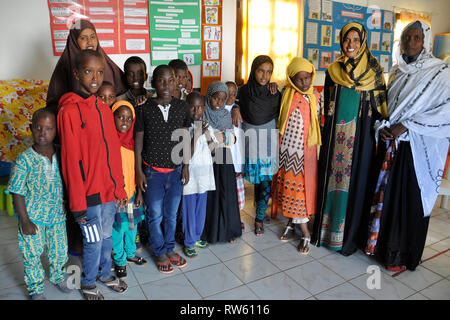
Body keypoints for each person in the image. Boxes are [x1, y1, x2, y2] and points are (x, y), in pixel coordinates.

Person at [364, 20, 450, 271]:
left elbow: (445, 112)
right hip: (393, 145)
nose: (411, 43)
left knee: (408, 200)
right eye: (407, 37)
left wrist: (407, 126)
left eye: (417, 38)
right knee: (386, 198)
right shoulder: (396, 71)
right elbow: (386, 107)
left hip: (418, 148)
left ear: (425, 42)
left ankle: (401, 255)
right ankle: (380, 248)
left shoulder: (440, 72)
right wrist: (385, 127)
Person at [311, 22, 388, 256]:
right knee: (332, 182)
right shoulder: (334, 71)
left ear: (363, 41)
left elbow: (382, 110)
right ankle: (326, 233)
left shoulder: (374, 73)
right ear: (341, 41)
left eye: (356, 40)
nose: (351, 44)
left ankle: (349, 237)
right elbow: (327, 110)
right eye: (347, 39)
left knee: (356, 183)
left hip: (361, 142)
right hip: (335, 141)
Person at [57, 49, 128, 300]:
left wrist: (119, 189)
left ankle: (104, 272)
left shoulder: (103, 107)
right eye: (88, 71)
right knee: (93, 241)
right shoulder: (69, 111)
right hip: (88, 196)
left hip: (109, 192)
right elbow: (70, 161)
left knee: (107, 236)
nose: (95, 78)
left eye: (100, 72)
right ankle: (87, 282)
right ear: (77, 73)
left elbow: (114, 155)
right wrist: (77, 203)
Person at [6, 108, 71, 300]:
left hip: (58, 216)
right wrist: (24, 220)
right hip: (32, 218)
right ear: (31, 128)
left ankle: (58, 275)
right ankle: (35, 288)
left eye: (49, 128)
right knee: (32, 254)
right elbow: (17, 192)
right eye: (38, 128)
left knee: (59, 250)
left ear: (56, 131)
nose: (43, 132)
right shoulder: (24, 160)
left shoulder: (62, 155)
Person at [134, 64, 191, 274]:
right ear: (153, 83)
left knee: (171, 215)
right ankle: (159, 250)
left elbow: (185, 138)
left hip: (175, 172)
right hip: (152, 172)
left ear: (176, 82)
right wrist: (139, 172)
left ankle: (169, 247)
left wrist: (186, 166)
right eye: (161, 80)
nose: (165, 85)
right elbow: (138, 143)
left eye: (170, 80)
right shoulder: (144, 108)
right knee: (155, 215)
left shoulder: (183, 108)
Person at [271, 57, 321, 254]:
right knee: (287, 190)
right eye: (299, 79)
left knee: (300, 192)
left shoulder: (315, 96)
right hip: (286, 153)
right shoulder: (286, 94)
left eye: (307, 78)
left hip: (304, 155)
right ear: (291, 79)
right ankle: (291, 222)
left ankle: (306, 232)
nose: (304, 83)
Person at [232, 55, 281, 236]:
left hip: (268, 140)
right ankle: (237, 215)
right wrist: (236, 108)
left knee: (266, 181)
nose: (264, 76)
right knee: (247, 180)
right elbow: (233, 103)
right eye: (261, 71)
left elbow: (281, 113)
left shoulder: (274, 93)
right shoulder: (243, 92)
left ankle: (259, 218)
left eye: (269, 72)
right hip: (249, 141)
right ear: (254, 70)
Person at [47, 19, 126, 114]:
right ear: (74, 41)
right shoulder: (65, 66)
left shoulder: (107, 64)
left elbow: (125, 93)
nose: (89, 42)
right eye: (83, 38)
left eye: (93, 37)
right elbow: (54, 105)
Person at [201, 81, 242, 244]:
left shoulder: (226, 115)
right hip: (205, 160)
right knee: (209, 196)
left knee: (226, 195)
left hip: (224, 159)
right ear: (209, 96)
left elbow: (232, 139)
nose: (219, 103)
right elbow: (200, 138)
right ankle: (208, 232)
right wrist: (219, 138)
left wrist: (215, 137)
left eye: (222, 100)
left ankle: (228, 230)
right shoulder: (202, 112)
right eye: (215, 98)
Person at [110, 100, 147, 278]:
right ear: (112, 118)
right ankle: (119, 259)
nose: (124, 122)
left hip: (132, 193)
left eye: (129, 118)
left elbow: (138, 171)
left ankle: (130, 253)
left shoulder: (134, 142)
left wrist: (139, 192)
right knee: (119, 228)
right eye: (120, 117)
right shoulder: (109, 143)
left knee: (132, 225)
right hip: (117, 195)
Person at [181, 91, 216, 257]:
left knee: (200, 208)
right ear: (186, 108)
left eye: (200, 107)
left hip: (204, 175)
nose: (196, 111)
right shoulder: (183, 127)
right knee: (189, 210)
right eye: (193, 108)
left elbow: (213, 149)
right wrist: (196, 135)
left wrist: (208, 136)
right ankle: (188, 241)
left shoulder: (207, 125)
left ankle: (196, 236)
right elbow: (186, 154)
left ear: (204, 108)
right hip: (190, 176)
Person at [224, 81, 246, 215]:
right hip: (225, 158)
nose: (231, 96)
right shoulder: (218, 110)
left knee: (238, 192)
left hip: (238, 157)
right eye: (228, 93)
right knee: (226, 190)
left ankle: (237, 218)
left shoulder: (238, 109)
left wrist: (236, 107)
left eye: (234, 93)